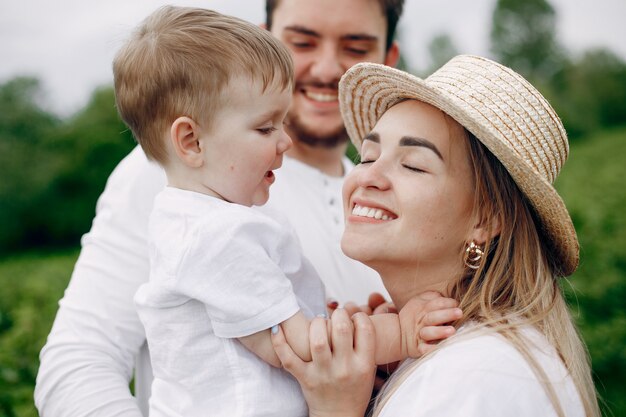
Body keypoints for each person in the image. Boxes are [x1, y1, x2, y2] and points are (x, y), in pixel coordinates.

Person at [33, 1, 406, 416]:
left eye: (355, 47)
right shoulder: (171, 179)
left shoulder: (386, 193)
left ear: (389, 58)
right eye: (303, 41)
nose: (324, 68)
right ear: (268, 36)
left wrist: (377, 362)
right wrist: (399, 333)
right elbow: (79, 362)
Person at [109, 6, 458, 416]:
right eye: (265, 128)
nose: (284, 142)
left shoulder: (210, 216)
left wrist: (350, 327)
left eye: (355, 45)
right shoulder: (216, 235)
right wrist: (400, 331)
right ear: (191, 141)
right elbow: (299, 348)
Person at [271, 55, 601, 417]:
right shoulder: (452, 360)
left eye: (413, 165)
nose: (366, 177)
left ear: (486, 218)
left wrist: (335, 408)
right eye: (367, 156)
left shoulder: (472, 376)